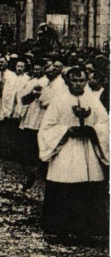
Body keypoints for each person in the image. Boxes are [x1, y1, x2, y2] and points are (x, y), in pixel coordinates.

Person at [38, 67, 109, 242]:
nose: (78, 84)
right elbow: (47, 127)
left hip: (88, 152)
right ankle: (61, 230)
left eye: (81, 80)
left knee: (88, 188)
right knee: (64, 187)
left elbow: (105, 124)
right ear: (68, 81)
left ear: (86, 81)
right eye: (74, 80)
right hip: (66, 151)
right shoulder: (59, 101)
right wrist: (66, 130)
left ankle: (88, 231)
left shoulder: (93, 101)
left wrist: (93, 130)